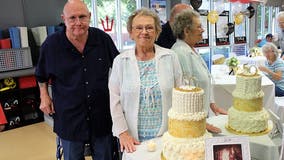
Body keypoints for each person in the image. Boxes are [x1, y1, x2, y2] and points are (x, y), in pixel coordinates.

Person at [35, 0, 119, 159]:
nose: (78, 22)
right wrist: (44, 96)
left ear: (90, 16)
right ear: (63, 18)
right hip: (69, 116)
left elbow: (120, 68)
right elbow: (41, 75)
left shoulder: (102, 39)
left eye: (82, 17)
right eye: (72, 18)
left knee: (105, 156)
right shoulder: (52, 45)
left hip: (102, 114)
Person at [108, 8, 182, 153]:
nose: (144, 32)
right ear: (131, 32)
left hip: (167, 137)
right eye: (139, 28)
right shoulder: (121, 61)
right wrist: (122, 133)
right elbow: (114, 101)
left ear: (157, 32)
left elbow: (181, 93)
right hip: (133, 141)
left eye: (149, 27)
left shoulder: (170, 57)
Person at [171, 9, 227, 133]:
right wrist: (200, 122)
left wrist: (213, 105)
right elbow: (187, 92)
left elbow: (203, 81)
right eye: (199, 26)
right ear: (186, 31)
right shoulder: (180, 53)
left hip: (201, 117)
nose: (203, 30)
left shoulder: (190, 49)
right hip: (192, 122)